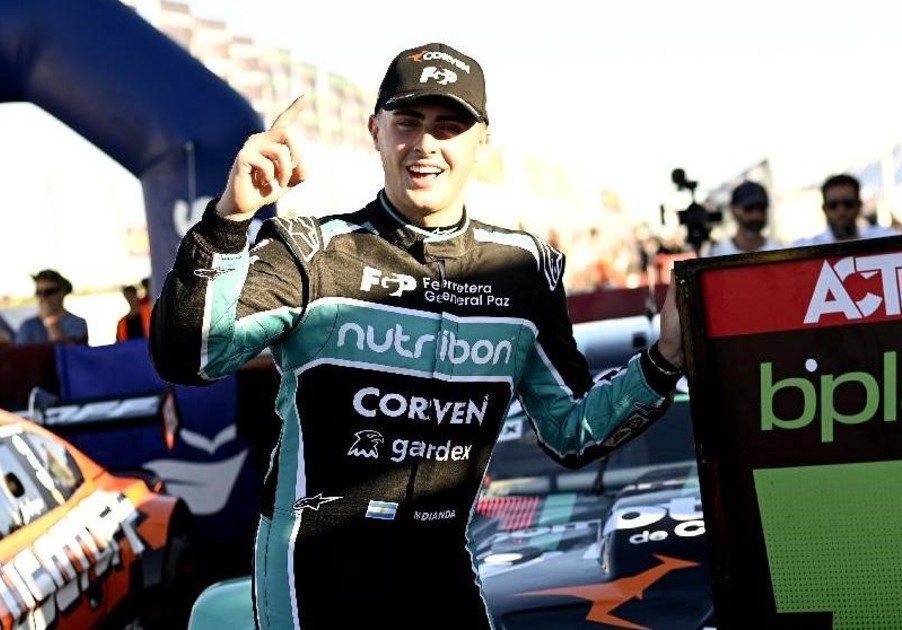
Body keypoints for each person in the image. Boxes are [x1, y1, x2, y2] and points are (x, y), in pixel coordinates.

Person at [149, 42, 684, 628]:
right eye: (408, 122)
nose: (426, 144)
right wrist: (228, 221)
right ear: (375, 131)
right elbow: (188, 356)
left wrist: (664, 360)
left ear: (481, 141)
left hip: (439, 560)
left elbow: (571, 432)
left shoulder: (525, 270)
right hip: (316, 563)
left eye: (448, 126)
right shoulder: (312, 251)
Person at [797, 174, 900, 245]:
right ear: (824, 209)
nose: (841, 210)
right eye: (833, 205)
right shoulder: (806, 247)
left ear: (859, 205)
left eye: (848, 204)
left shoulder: (886, 238)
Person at [705, 180, 785, 256]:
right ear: (733, 210)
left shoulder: (780, 252)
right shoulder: (716, 254)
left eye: (761, 208)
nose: (756, 215)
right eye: (749, 208)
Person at [15, 269, 88, 345]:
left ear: (62, 292)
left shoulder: (78, 323)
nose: (43, 297)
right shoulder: (27, 325)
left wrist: (50, 320)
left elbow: (66, 350)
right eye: (39, 293)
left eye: (49, 292)